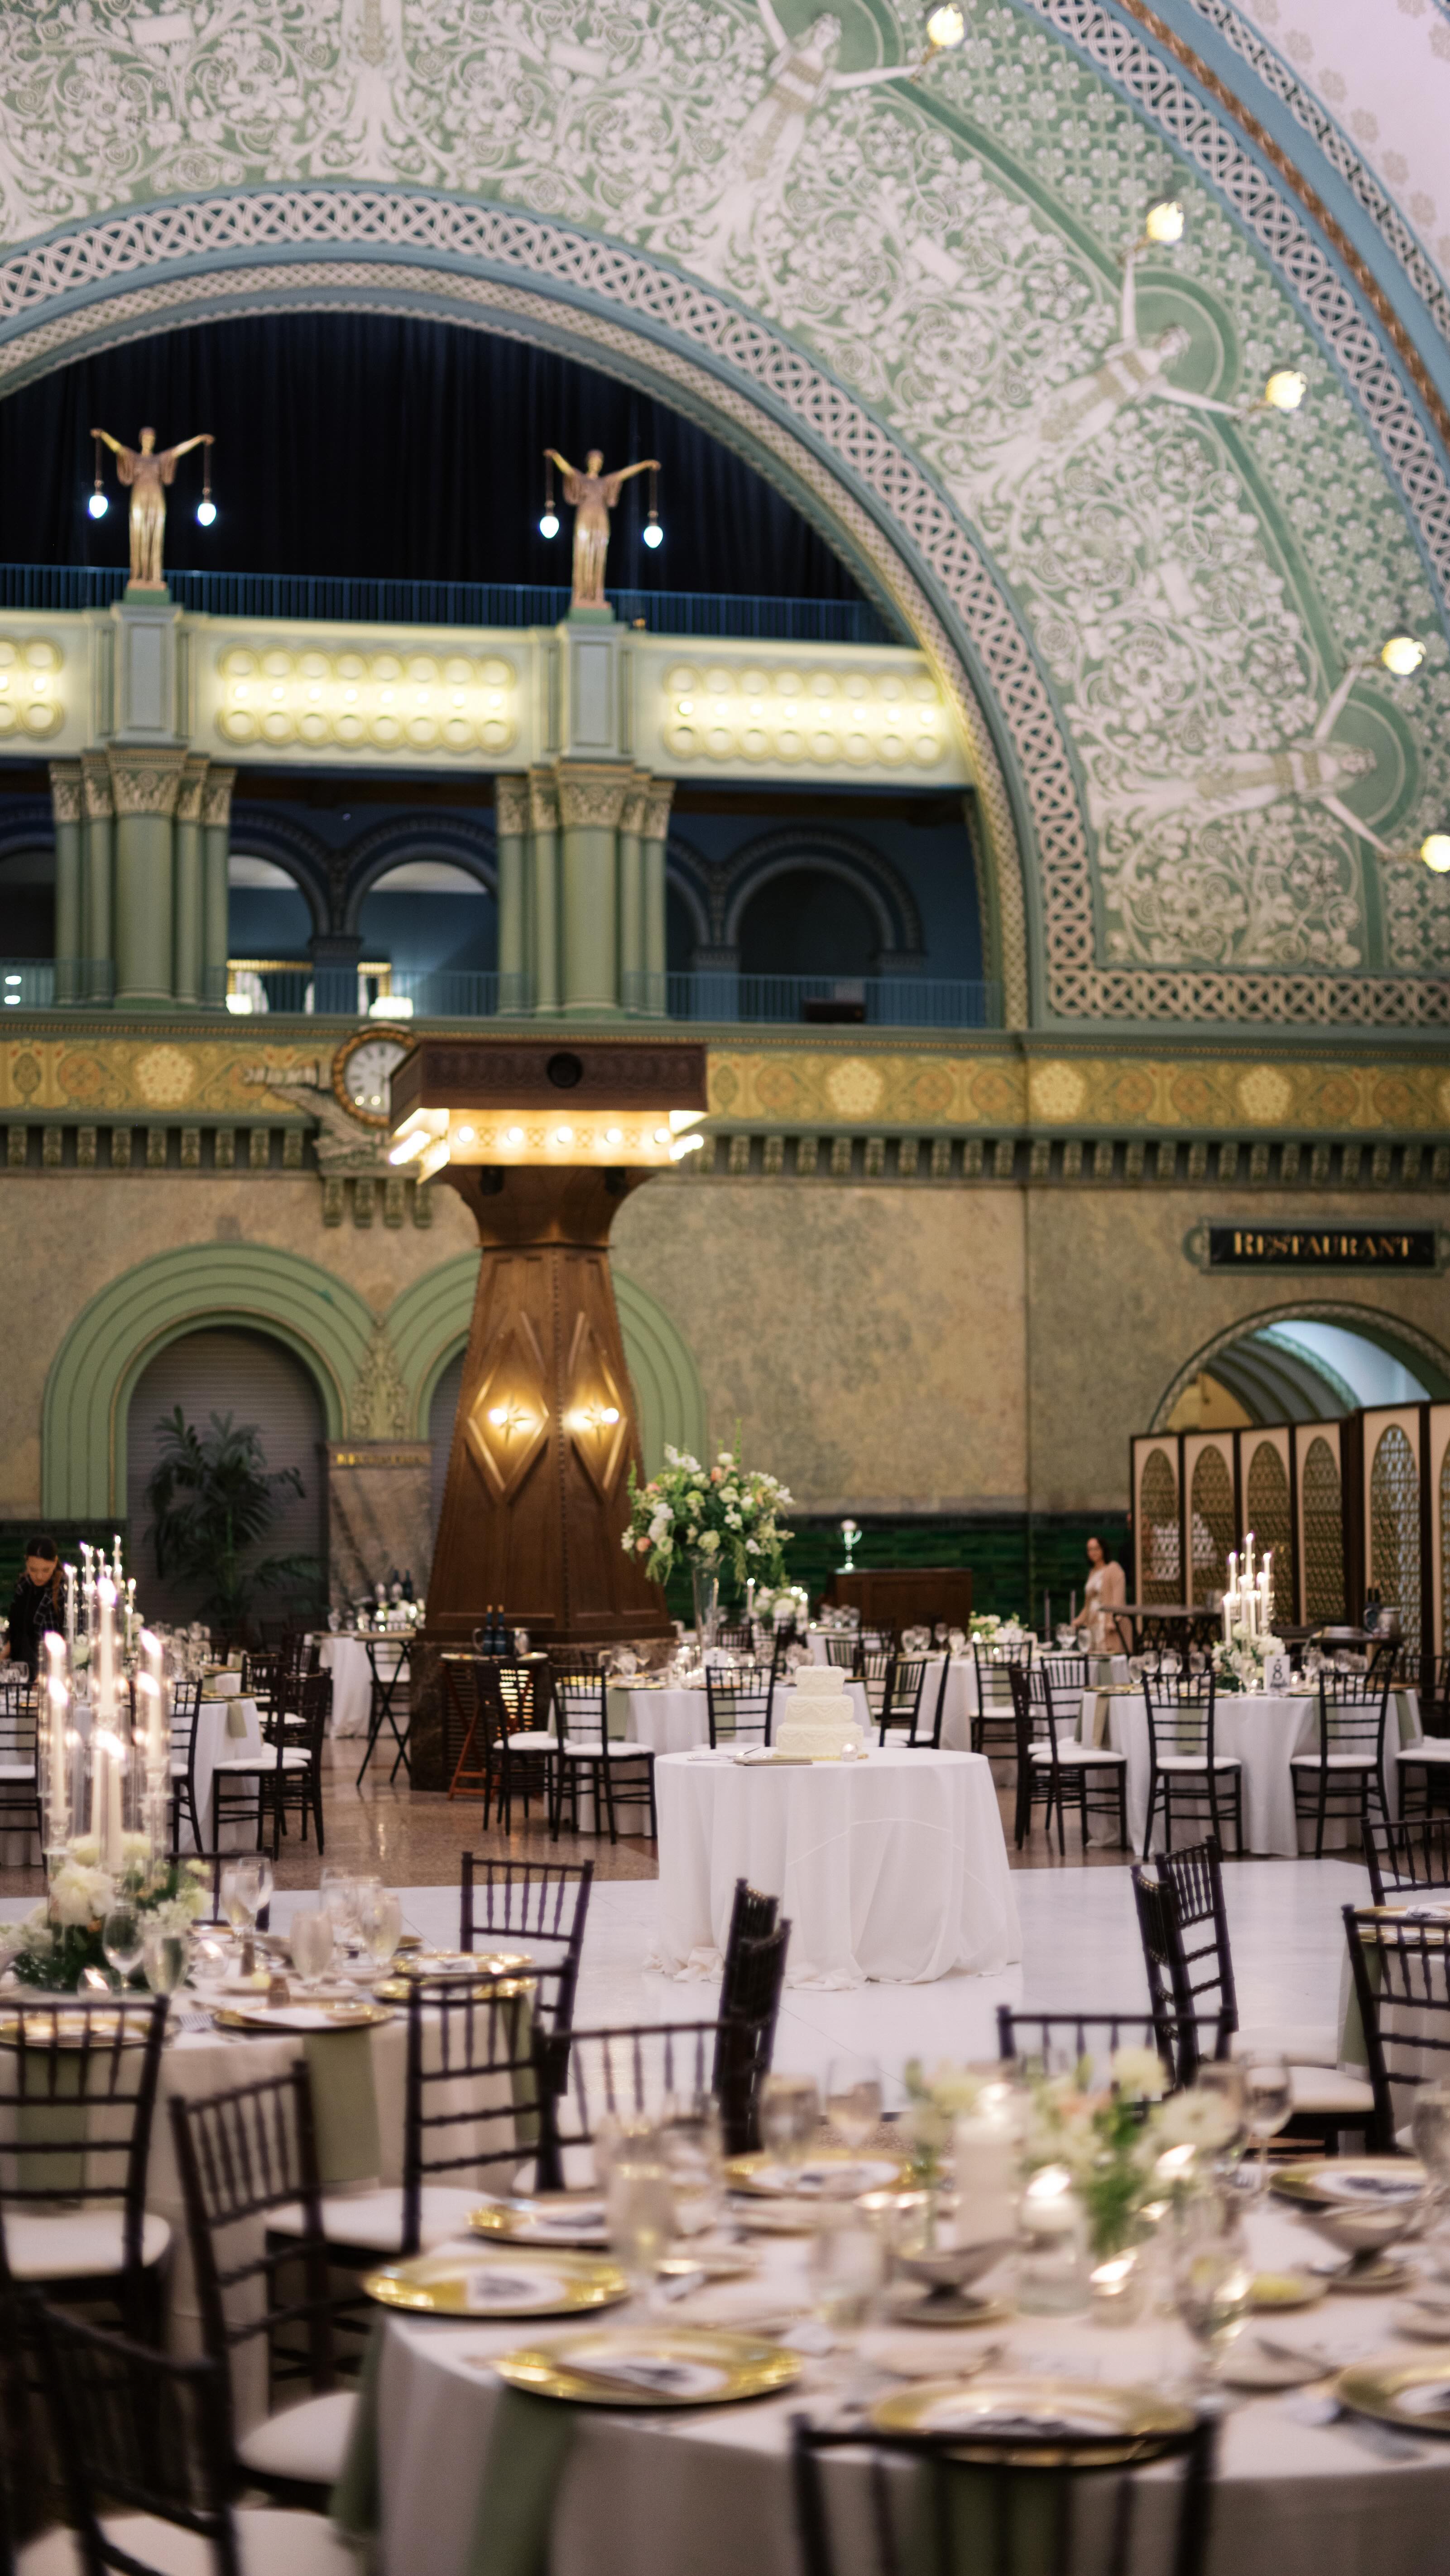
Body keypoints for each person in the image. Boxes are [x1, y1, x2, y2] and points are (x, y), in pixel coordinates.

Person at [5, 1536, 66, 1678]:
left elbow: (67, 1638)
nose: (39, 1576)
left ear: (55, 1562)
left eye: (46, 1570)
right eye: (33, 1570)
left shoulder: (62, 1591)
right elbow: (15, 1630)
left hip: (50, 1671)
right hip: (20, 1670)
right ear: (26, 1561)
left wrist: (48, 1672)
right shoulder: (23, 1586)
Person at [1073, 1534, 1127, 1656]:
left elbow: (1118, 1596)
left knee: (1106, 1654)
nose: (1093, 1553)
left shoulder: (1113, 1569)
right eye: (1090, 1550)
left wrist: (1114, 1619)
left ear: (1103, 1549)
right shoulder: (1092, 1572)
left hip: (1106, 1620)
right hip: (1093, 1621)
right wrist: (1079, 1621)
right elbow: (1088, 1604)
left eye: (1096, 1549)